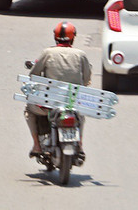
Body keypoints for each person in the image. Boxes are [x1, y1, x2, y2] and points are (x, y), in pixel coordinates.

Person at [26, 22, 93, 159]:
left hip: (49, 106)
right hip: (72, 104)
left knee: (29, 111)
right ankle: (79, 144)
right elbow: (86, 79)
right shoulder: (80, 54)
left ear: (55, 37)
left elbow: (33, 75)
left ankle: (37, 146)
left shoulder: (48, 52)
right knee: (80, 116)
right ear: (73, 37)